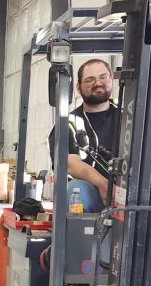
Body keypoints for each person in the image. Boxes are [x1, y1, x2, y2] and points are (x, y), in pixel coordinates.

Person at [47, 58, 120, 212]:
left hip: (130, 192)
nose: (98, 83)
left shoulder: (129, 114)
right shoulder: (68, 124)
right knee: (76, 191)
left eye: (103, 77)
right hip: (95, 196)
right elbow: (70, 164)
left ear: (112, 80)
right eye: (90, 80)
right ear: (79, 88)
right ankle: (79, 236)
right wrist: (103, 184)